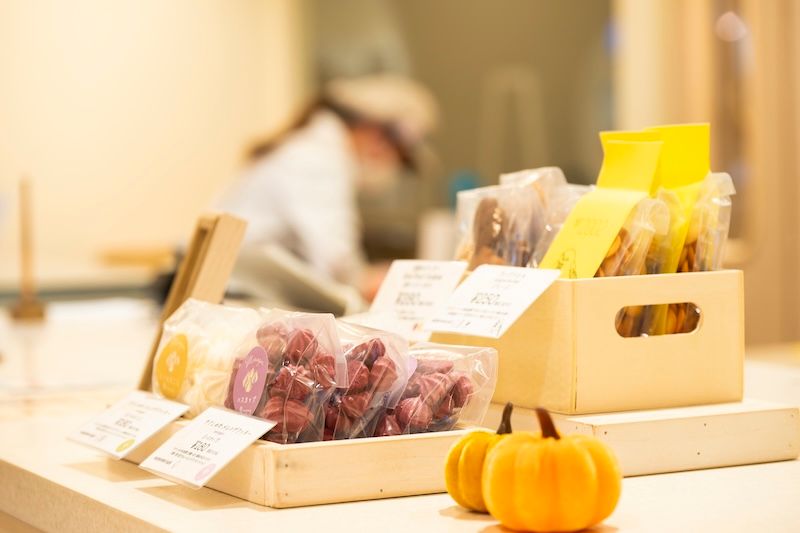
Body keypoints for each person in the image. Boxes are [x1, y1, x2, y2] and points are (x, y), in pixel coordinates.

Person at [216, 74, 438, 299]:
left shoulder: (312, 150)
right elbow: (337, 262)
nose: (389, 165)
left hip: (242, 289)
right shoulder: (318, 160)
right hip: (236, 293)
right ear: (375, 133)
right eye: (396, 154)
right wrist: (379, 280)